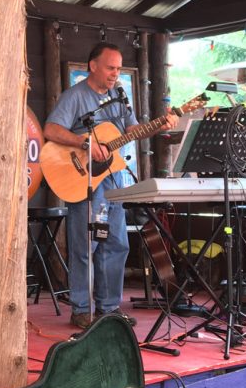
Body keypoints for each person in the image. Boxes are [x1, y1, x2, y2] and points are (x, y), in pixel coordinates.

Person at [44, 42, 179, 330]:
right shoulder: (75, 96)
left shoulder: (120, 96)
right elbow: (51, 129)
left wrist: (157, 125)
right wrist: (85, 143)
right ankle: (82, 309)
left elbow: (130, 131)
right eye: (110, 67)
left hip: (114, 179)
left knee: (116, 243)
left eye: (118, 68)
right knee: (85, 246)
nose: (115, 74)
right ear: (93, 66)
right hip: (83, 179)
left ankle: (109, 307)